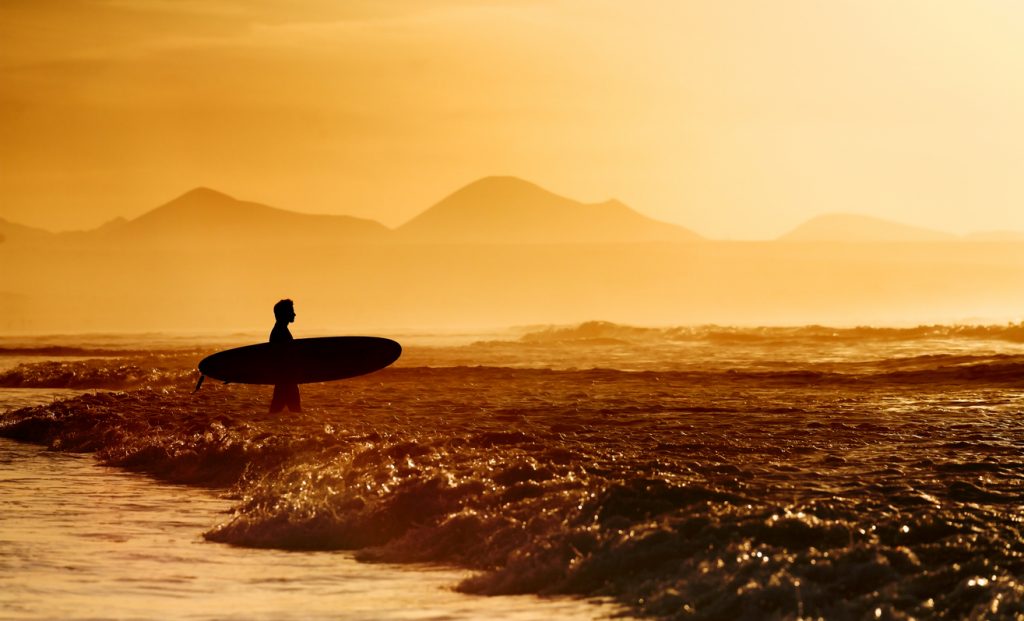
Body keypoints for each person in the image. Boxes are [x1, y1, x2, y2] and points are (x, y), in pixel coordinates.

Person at [269, 298, 301, 413]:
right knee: (294, 411)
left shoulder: (280, 330)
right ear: (284, 314)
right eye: (291, 311)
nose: (294, 314)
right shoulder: (280, 332)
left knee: (275, 411)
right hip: (286, 381)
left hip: (284, 380)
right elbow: (283, 357)